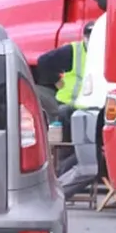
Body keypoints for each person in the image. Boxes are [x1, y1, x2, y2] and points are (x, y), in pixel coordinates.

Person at [35, 21, 94, 174]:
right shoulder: (74, 51)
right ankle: (62, 167)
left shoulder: (104, 53)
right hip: (69, 103)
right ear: (85, 38)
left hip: (92, 105)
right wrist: (55, 80)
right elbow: (43, 62)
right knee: (63, 115)